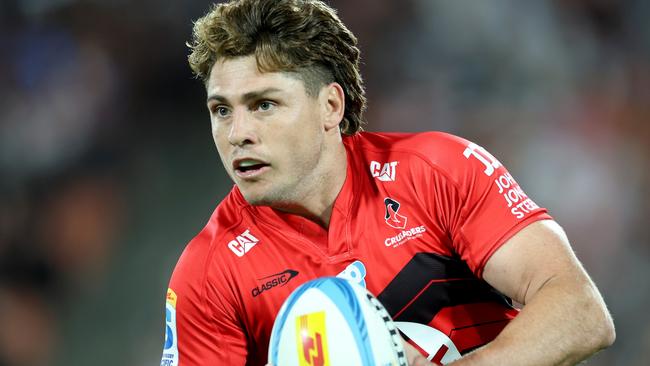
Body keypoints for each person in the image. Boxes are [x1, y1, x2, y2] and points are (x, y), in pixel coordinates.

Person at [160, 0, 615, 365]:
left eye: (263, 105)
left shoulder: (434, 170)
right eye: (222, 110)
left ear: (330, 107)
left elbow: (581, 312)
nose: (238, 133)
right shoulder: (209, 272)